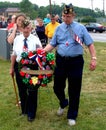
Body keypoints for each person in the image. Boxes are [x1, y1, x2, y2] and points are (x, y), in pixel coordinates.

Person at [44, 3, 97, 126]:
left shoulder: (80, 28)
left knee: (74, 89)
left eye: (68, 16)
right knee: (57, 87)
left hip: (75, 62)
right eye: (63, 16)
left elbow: (90, 44)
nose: (65, 18)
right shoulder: (59, 28)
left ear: (73, 16)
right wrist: (42, 52)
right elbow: (52, 44)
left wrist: (93, 58)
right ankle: (63, 103)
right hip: (61, 61)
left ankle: (72, 115)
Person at [10, 19, 42, 122]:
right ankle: (24, 110)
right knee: (22, 90)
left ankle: (31, 113)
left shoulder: (35, 39)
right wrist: (11, 68)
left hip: (32, 68)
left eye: (28, 27)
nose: (26, 29)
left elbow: (40, 54)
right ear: (21, 28)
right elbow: (14, 54)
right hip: (19, 67)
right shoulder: (17, 39)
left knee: (32, 90)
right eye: (24, 27)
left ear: (31, 28)